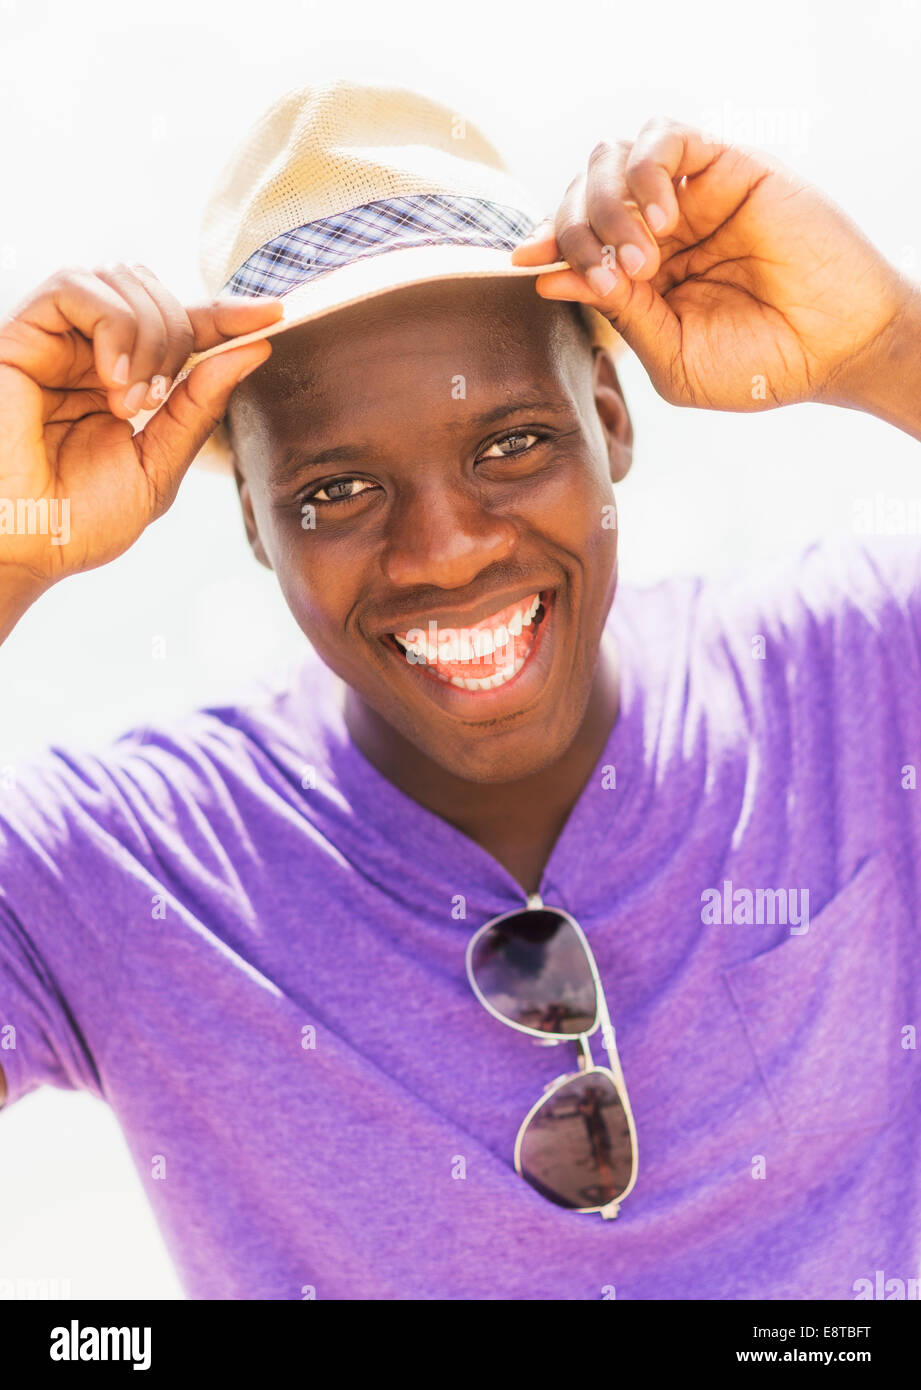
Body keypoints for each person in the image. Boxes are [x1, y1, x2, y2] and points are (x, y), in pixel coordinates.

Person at [0, 79, 918, 1300]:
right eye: (336, 492)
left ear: (608, 419)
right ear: (255, 528)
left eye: (510, 446)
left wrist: (888, 351)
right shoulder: (129, 868)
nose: (443, 549)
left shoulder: (859, 675)